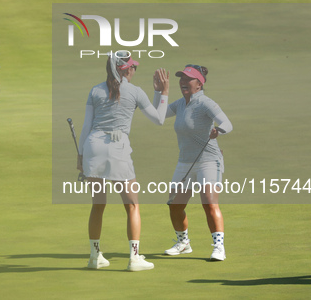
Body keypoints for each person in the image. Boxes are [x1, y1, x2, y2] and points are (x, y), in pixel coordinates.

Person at [77, 52, 170, 271]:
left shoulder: (95, 90)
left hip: (93, 147)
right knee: (132, 205)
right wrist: (162, 92)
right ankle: (134, 258)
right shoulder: (135, 92)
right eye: (133, 67)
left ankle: (94, 257)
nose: (134, 70)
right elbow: (159, 118)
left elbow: (86, 127)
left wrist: (80, 156)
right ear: (124, 69)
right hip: (117, 149)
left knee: (98, 205)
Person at [153, 64, 233, 261]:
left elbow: (227, 124)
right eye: (181, 78)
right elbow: (159, 116)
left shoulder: (206, 103)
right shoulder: (180, 104)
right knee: (175, 205)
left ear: (199, 84)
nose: (183, 82)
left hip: (208, 160)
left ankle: (219, 248)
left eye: (188, 79)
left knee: (209, 203)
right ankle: (183, 243)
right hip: (185, 163)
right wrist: (159, 92)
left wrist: (218, 131)